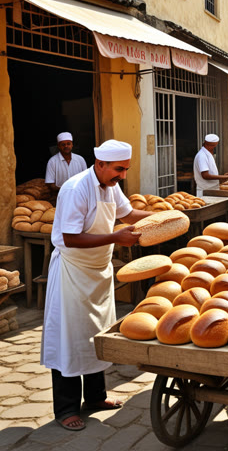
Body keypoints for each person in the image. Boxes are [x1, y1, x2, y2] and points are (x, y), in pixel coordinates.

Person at [41, 140, 155, 431]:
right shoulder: (75, 188)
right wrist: (117, 238)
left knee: (95, 336)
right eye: (119, 169)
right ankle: (66, 409)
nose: (123, 176)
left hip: (97, 272)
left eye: (126, 169)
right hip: (73, 272)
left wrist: (165, 219)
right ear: (100, 164)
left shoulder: (111, 185)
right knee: (71, 339)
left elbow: (128, 215)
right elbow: (70, 237)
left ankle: (95, 398)